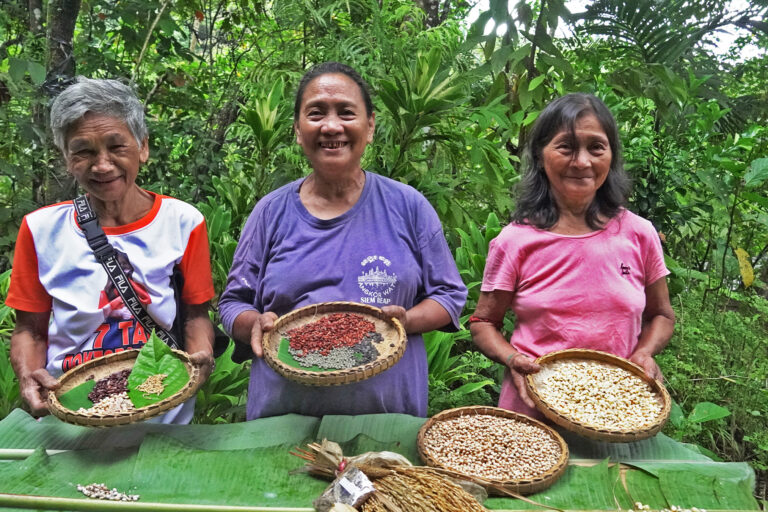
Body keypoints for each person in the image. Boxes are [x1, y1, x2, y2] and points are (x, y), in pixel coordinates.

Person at [219, 62, 467, 419]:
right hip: (283, 420)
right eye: (316, 113)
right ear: (298, 130)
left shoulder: (408, 206)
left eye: (346, 113)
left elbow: (449, 295)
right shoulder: (270, 212)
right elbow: (233, 303)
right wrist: (252, 323)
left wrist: (407, 321)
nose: (331, 126)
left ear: (370, 127)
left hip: (386, 421)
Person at [7, 77, 215, 424]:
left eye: (117, 147)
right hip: (74, 410)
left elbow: (195, 315)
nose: (102, 165)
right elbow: (30, 329)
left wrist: (200, 356)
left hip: (163, 411)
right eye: (84, 151)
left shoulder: (183, 222)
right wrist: (29, 374)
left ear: (143, 147)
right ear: (66, 158)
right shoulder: (41, 230)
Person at [470, 93, 675, 417]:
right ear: (540, 155)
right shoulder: (515, 241)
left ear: (611, 155)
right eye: (566, 147)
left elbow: (662, 315)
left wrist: (646, 352)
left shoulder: (638, 234)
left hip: (616, 411)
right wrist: (512, 359)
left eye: (596, 147)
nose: (582, 162)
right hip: (532, 412)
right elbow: (483, 322)